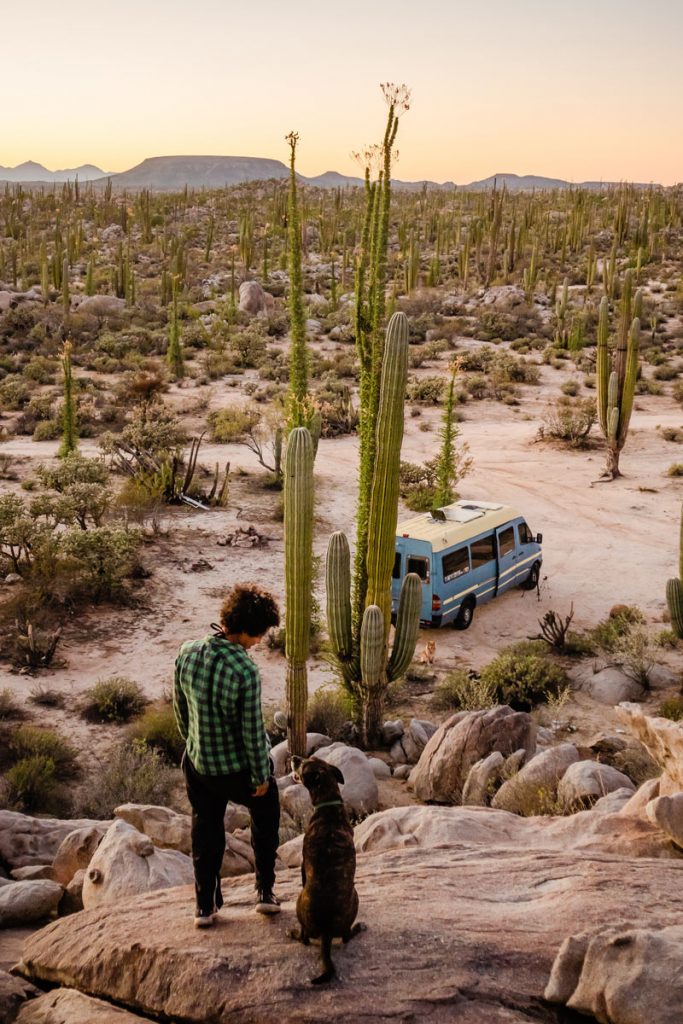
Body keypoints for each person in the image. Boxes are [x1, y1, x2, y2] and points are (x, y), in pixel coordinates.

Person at [174, 583, 281, 928]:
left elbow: (181, 710)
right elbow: (252, 733)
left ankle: (205, 906)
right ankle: (264, 893)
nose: (260, 641)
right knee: (266, 814)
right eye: (260, 634)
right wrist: (260, 777)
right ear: (249, 630)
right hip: (236, 770)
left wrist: (193, 745)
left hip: (200, 765)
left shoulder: (187, 652)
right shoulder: (245, 671)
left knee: (205, 828)